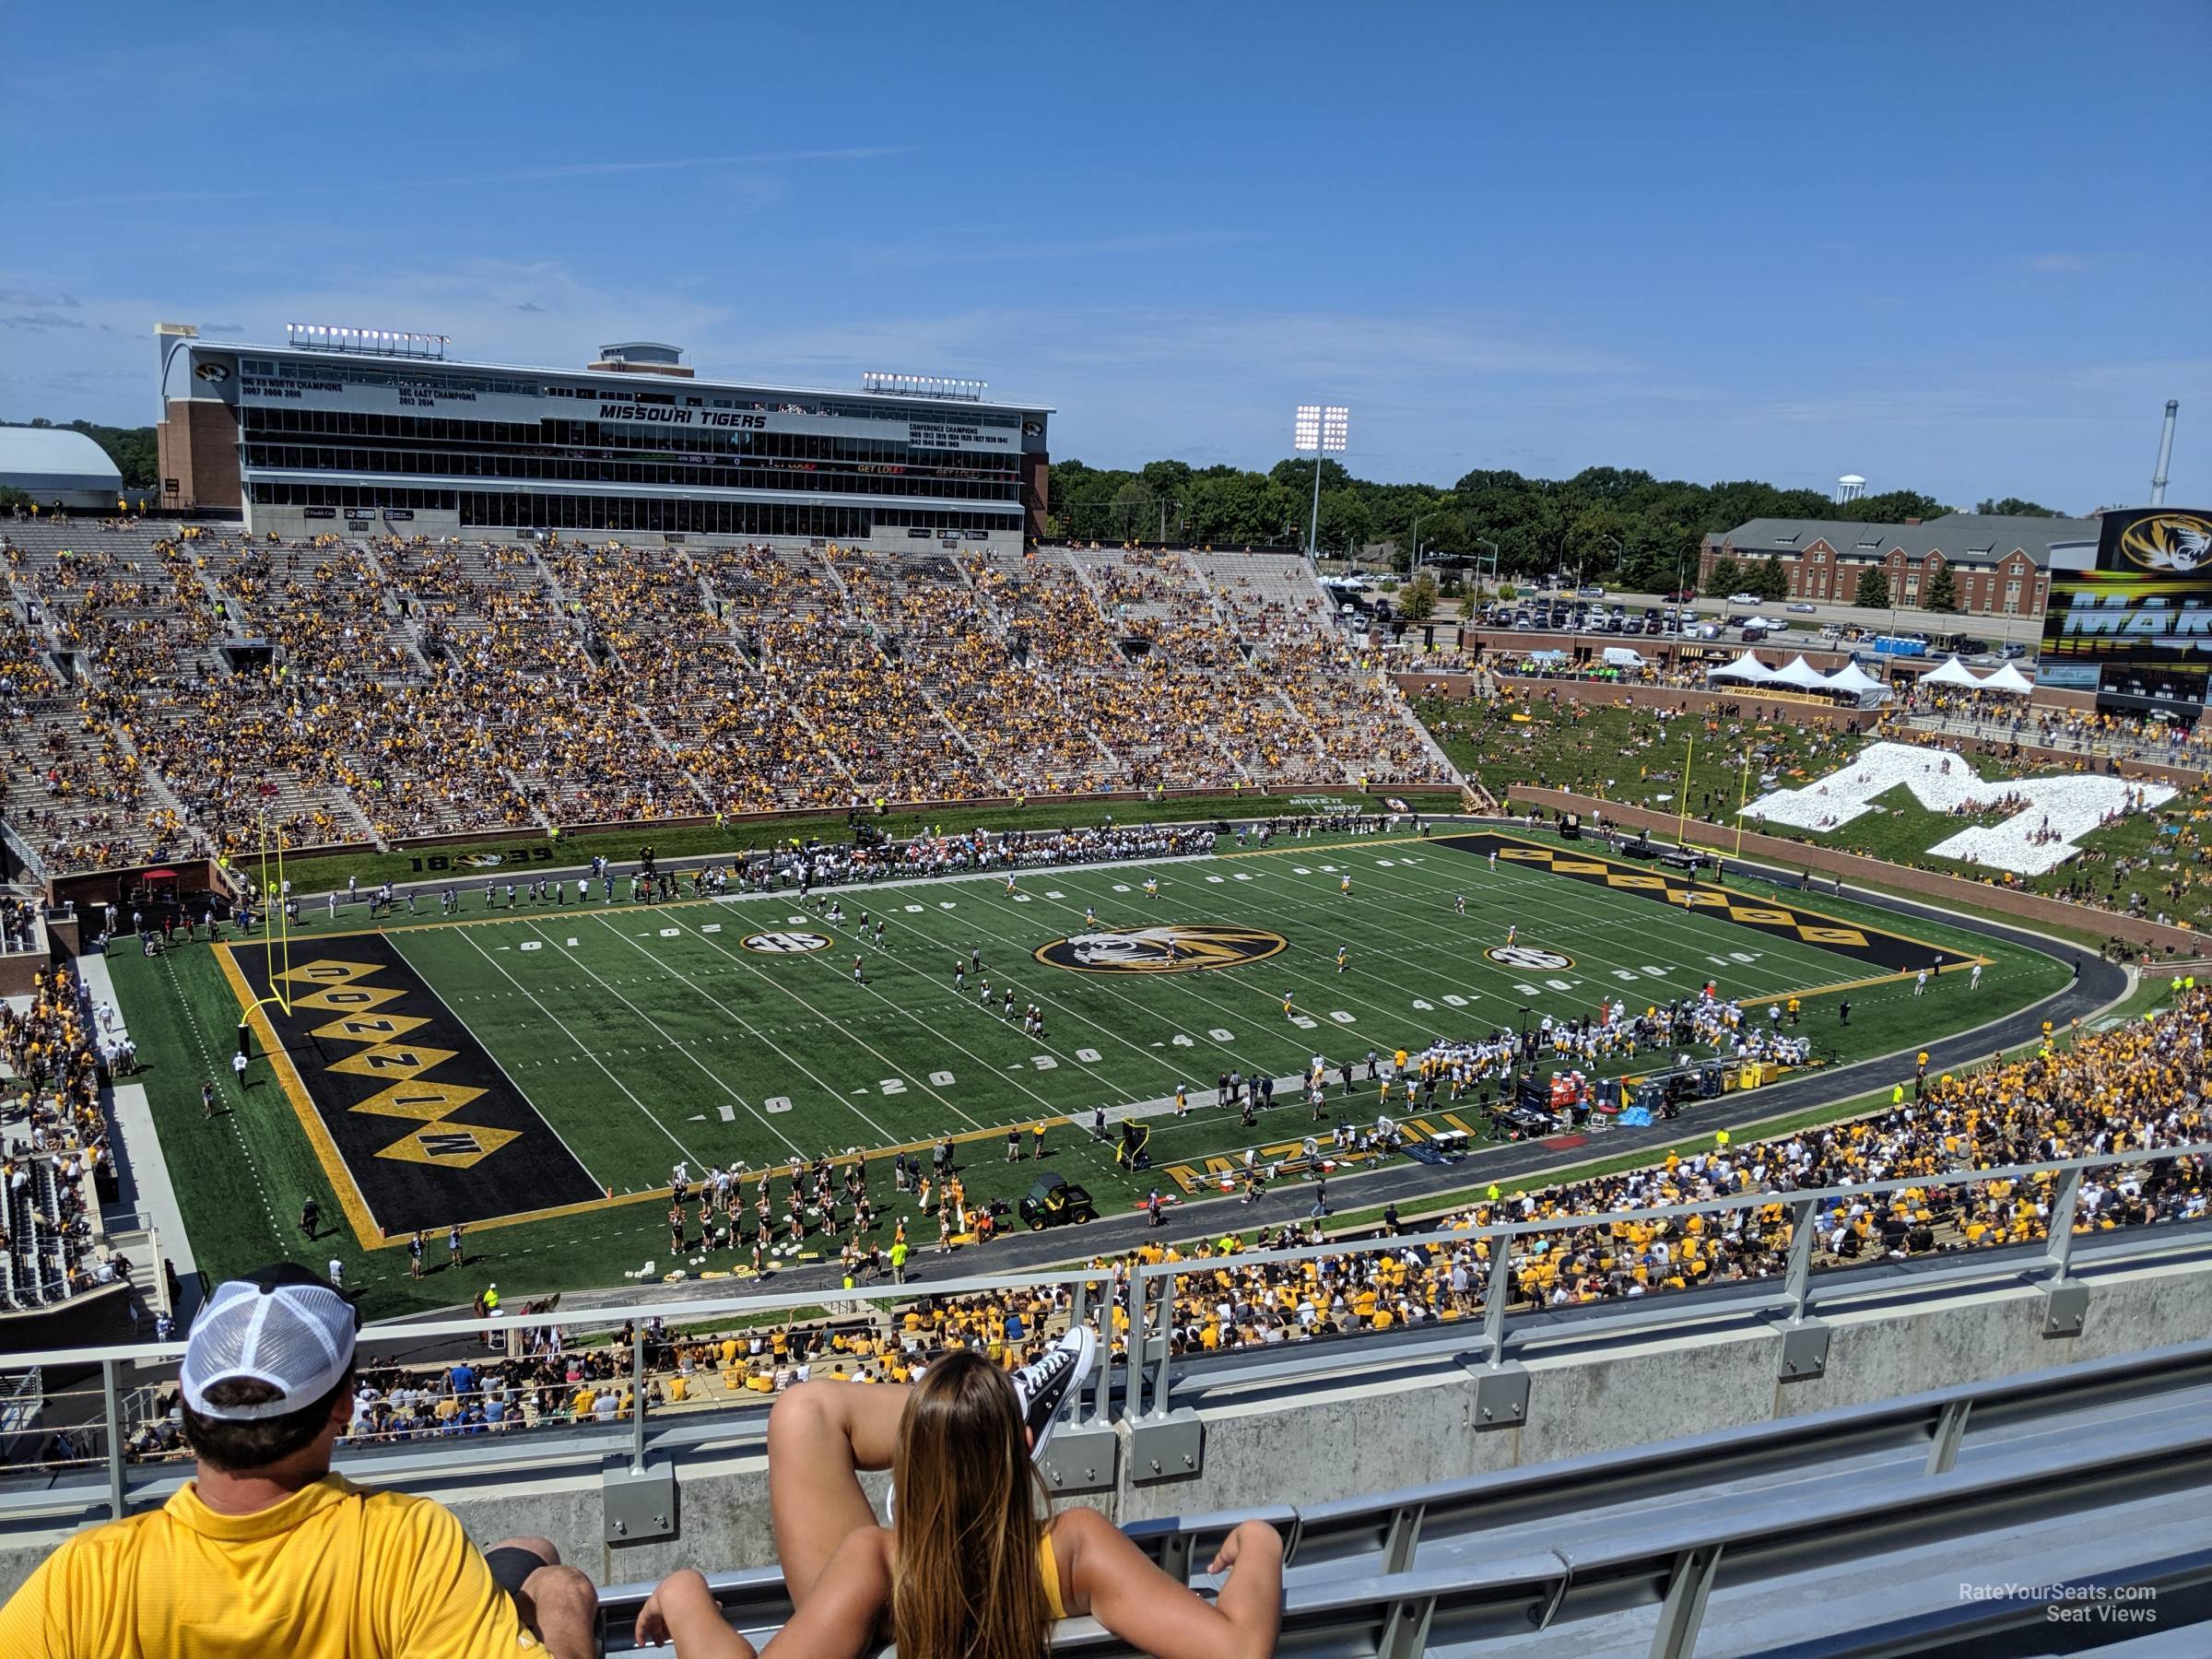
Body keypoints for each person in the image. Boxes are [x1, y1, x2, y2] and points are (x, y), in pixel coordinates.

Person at [0, 1265, 598, 1657]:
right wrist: (565, 1614)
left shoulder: (89, 1575)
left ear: (184, 1399)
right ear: (343, 1405)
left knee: (529, 1555)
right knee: (545, 1567)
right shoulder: (407, 1546)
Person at [640, 1333, 1281, 1659]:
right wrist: (1262, 1543)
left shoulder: (874, 1560)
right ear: (1024, 1445)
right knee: (802, 1411)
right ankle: (991, 1412)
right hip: (959, 1579)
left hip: (891, 1603)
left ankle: (966, 1416)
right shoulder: (1074, 1547)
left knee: (801, 1410)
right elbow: (1240, 1650)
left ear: (905, 1460)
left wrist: (685, 1596)